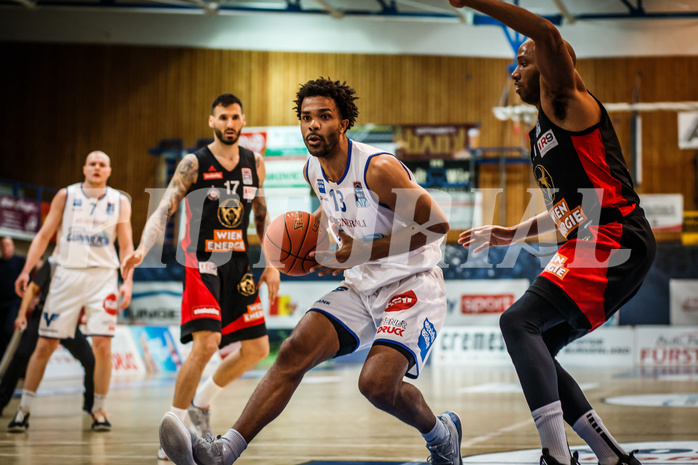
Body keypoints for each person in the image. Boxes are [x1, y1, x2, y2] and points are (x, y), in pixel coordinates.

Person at [159, 77, 461, 465]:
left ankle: (442, 436)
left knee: (376, 385)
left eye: (324, 117)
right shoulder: (312, 170)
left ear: (343, 123)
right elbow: (328, 209)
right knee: (293, 350)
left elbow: (436, 226)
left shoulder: (378, 168)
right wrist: (314, 247)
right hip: (362, 285)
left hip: (413, 284)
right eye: (306, 118)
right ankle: (223, 452)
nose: (312, 125)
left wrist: (363, 251)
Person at [450, 2, 657, 465]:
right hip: (596, 237)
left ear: (549, 65)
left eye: (522, 62)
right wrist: (512, 232)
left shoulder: (568, 102)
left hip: (613, 237)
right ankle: (610, 455)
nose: (513, 73)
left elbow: (545, 30)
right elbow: (570, 207)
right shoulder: (543, 130)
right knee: (536, 343)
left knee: (516, 322)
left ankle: (557, 456)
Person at [120, 93, 280, 460]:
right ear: (212, 121)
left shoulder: (255, 163)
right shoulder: (194, 163)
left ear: (243, 121)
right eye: (222, 117)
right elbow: (164, 209)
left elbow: (263, 214)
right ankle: (172, 430)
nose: (229, 123)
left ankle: (201, 403)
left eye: (235, 117)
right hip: (201, 262)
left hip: (238, 264)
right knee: (207, 344)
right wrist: (143, 249)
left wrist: (271, 263)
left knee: (257, 349)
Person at [8, 150, 134, 432]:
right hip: (66, 274)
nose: (97, 168)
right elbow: (43, 235)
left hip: (103, 277)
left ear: (109, 171)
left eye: (103, 164)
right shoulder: (66, 196)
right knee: (45, 345)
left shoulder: (120, 201)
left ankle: (99, 409)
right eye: (93, 164)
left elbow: (126, 245)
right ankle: (23, 410)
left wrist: (128, 280)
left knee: (103, 345)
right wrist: (27, 270)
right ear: (84, 169)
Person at [0, 257, 95, 417]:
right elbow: (31, 289)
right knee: (21, 355)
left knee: (90, 360)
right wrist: (22, 314)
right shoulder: (52, 264)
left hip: (67, 320)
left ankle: (92, 406)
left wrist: (87, 315)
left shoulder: (84, 268)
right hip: (44, 317)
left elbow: (87, 296)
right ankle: (2, 401)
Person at [0, 237, 25, 361]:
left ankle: (12, 360)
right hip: (2, 304)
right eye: (3, 246)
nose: (6, 248)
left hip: (16, 303)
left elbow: (28, 282)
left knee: (8, 330)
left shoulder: (20, 261)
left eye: (8, 245)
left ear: (13, 246)